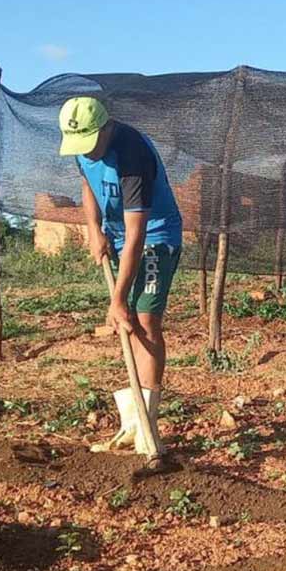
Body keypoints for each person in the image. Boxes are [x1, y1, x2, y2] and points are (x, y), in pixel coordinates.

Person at [58, 96, 183, 460]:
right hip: (116, 234)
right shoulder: (84, 149)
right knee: (128, 324)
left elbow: (137, 234)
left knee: (144, 322)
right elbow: (87, 185)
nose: (87, 152)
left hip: (156, 236)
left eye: (91, 144)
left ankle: (147, 427)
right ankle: (132, 424)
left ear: (106, 128)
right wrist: (93, 228)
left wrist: (117, 301)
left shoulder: (132, 156)